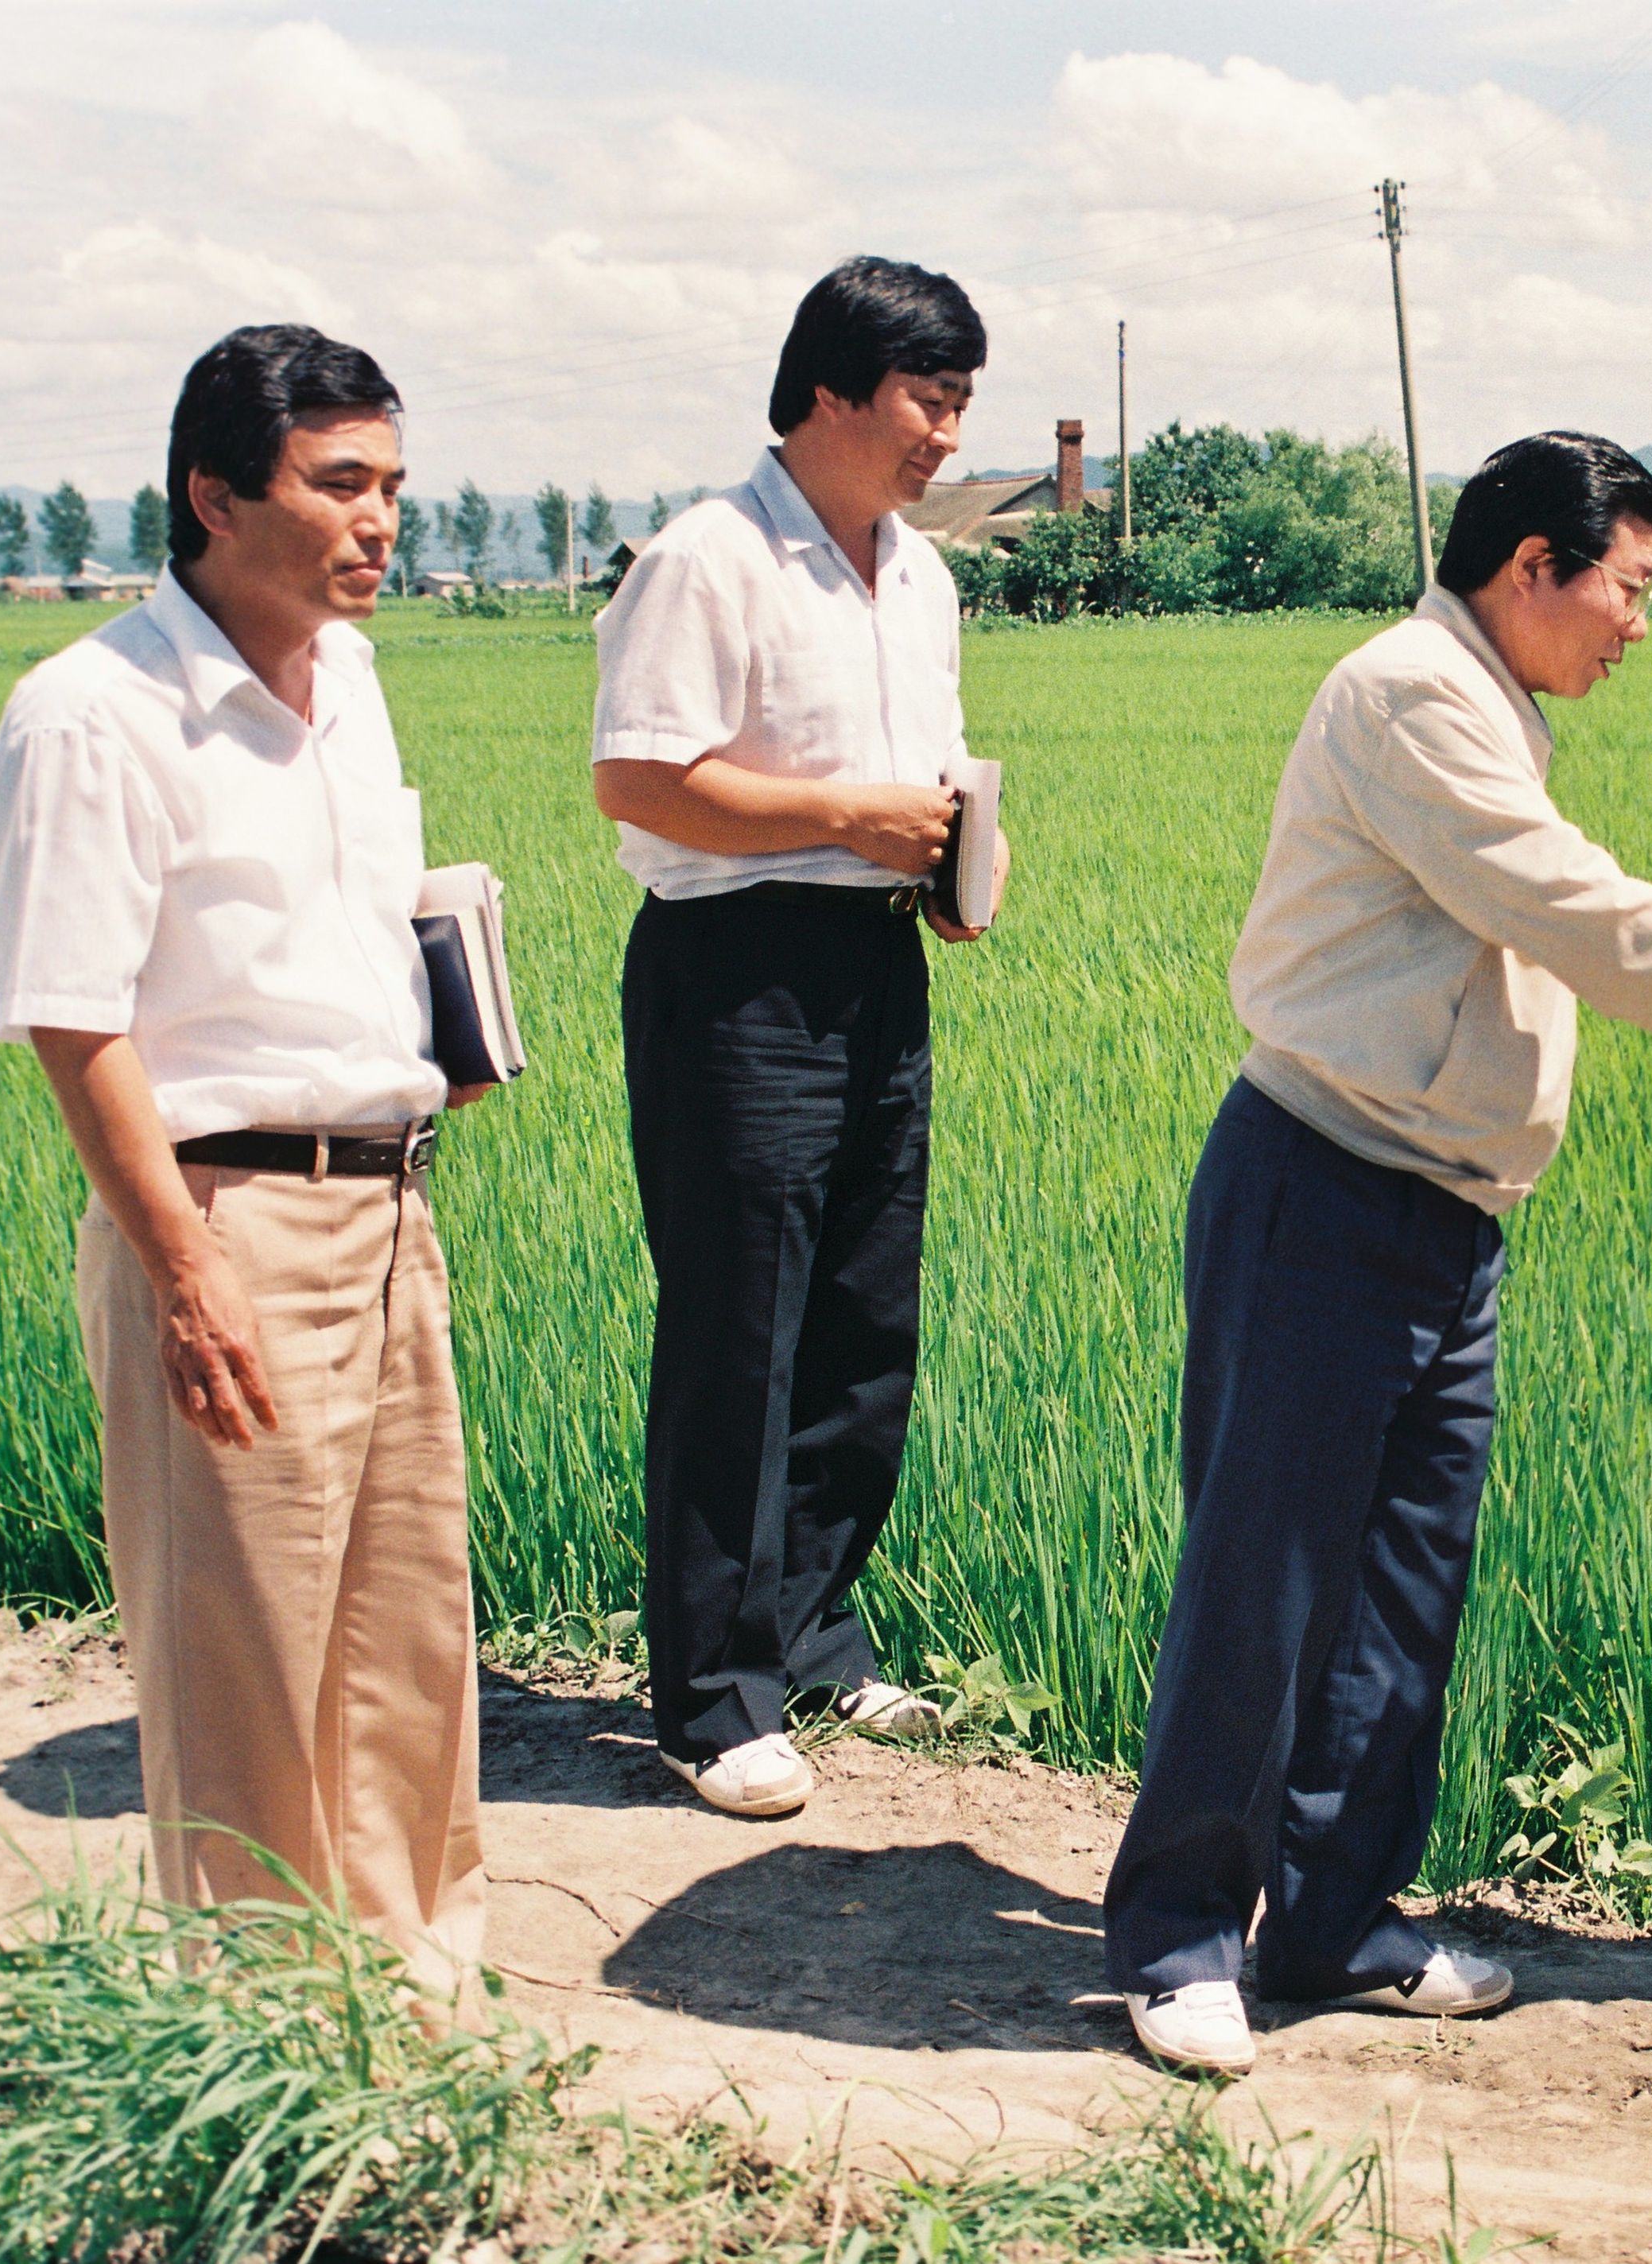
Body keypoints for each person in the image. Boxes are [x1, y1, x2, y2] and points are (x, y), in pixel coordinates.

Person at [1103, 432, 1652, 2075]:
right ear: (1528, 567)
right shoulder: (1414, 691)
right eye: (1627, 587)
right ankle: (1182, 1932)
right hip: (1328, 1182)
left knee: (1404, 1591)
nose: (1638, 624)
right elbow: (1578, 913)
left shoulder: (1489, 699)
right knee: (1267, 1581)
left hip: (1439, 1211)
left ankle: (1335, 1921)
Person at [0, 324, 490, 1998]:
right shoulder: (92, 715)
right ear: (213, 495)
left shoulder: (347, 686)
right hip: (229, 1221)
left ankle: (415, 1977)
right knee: (245, 1653)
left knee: (405, 1639)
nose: (379, 522)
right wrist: (184, 1277)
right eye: (339, 484)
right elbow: (76, 1022)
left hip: (387, 1199)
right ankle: (272, 2015)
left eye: (394, 486)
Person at [589, 256, 1004, 1819]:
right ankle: (710, 1697)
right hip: (736, 970)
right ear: (831, 389)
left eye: (960, 404)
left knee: (856, 1322)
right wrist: (847, 815)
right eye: (926, 398)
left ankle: (815, 1636)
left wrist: (948, 870)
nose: (945, 436)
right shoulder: (709, 559)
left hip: (878, 964)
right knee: (736, 1333)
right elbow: (640, 776)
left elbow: (925, 771)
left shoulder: (921, 574)